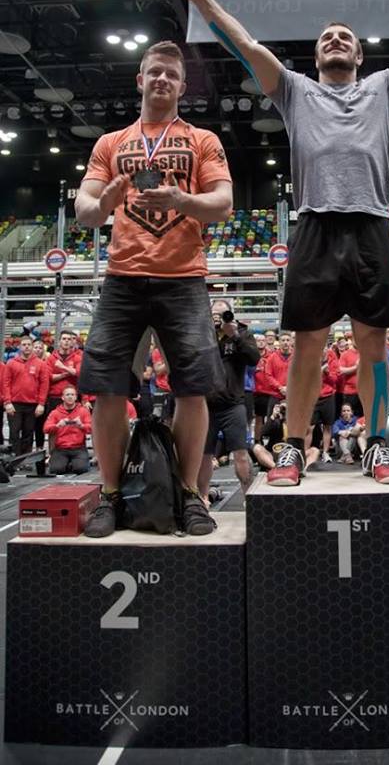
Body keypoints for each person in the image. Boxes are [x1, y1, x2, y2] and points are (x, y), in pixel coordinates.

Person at [174, 0, 389, 487]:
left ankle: (376, 444)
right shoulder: (294, 90)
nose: (336, 40)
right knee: (308, 345)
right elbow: (244, 45)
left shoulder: (385, 87)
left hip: (372, 224)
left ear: (360, 55)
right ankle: (294, 447)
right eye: (327, 38)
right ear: (317, 56)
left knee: (374, 345)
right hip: (315, 225)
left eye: (345, 37)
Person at [75, 39, 232, 537]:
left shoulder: (202, 139)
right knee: (107, 389)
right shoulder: (110, 143)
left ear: (183, 87)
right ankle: (110, 494)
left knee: (193, 389)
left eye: (171, 74)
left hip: (184, 278)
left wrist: (181, 200)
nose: (162, 79)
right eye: (155, 72)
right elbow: (84, 212)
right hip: (122, 278)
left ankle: (189, 495)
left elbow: (223, 202)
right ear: (140, 80)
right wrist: (105, 203)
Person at [198, 299, 260, 498]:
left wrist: (234, 336)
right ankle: (203, 498)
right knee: (204, 455)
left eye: (222, 314)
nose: (218, 319)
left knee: (240, 453)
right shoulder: (203, 334)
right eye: (214, 315)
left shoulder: (242, 333)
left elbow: (254, 358)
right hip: (206, 404)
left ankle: (248, 497)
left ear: (230, 315)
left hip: (233, 404)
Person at [3, 336, 49, 455]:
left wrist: (41, 404)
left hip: (32, 404)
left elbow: (44, 385)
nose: (27, 347)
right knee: (14, 432)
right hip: (14, 404)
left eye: (29, 344)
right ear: (19, 347)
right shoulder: (11, 363)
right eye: (24, 345)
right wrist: (7, 402)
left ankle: (25, 458)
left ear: (32, 346)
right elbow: (5, 383)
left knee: (28, 433)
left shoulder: (41, 364)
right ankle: (15, 457)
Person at [44, 385, 92, 475]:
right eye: (67, 395)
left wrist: (81, 425)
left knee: (81, 469)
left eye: (72, 395)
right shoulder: (55, 412)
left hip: (78, 448)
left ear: (76, 397)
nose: (70, 397)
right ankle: (66, 463)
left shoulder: (83, 411)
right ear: (62, 397)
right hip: (61, 448)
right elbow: (46, 429)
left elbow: (91, 428)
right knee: (56, 470)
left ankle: (73, 463)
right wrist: (57, 425)